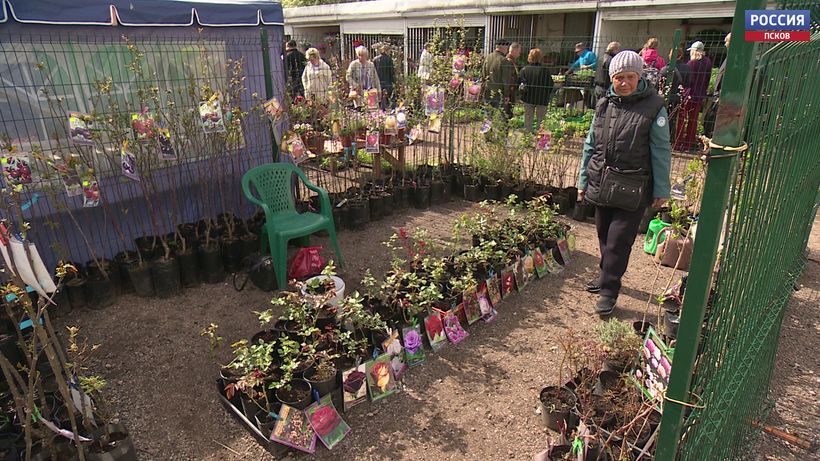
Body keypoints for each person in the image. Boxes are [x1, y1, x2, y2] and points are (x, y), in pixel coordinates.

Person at [577, 50, 671, 316]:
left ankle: (609, 290)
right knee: (604, 235)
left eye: (630, 77)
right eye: (619, 77)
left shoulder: (654, 108)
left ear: (639, 77)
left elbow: (661, 150)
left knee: (619, 240)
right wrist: (583, 179)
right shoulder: (604, 103)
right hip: (601, 179)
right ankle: (605, 275)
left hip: (633, 186)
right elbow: (590, 144)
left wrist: (661, 189)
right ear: (612, 78)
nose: (625, 82)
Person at [674, 41, 712, 152]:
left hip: (688, 94)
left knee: (681, 119)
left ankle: (678, 143)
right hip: (699, 95)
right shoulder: (708, 63)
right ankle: (689, 144)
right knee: (693, 120)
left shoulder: (691, 63)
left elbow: (688, 81)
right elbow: (707, 80)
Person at [519, 48, 554, 132]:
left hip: (528, 98)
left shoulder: (524, 70)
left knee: (528, 119)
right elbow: (550, 84)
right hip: (542, 99)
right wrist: (547, 94)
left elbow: (520, 83)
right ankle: (540, 140)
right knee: (541, 121)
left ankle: (527, 137)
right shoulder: (545, 70)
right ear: (540, 57)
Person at [704, 32, 731, 137]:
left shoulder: (733, 58)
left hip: (723, 95)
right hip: (719, 94)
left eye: (726, 41)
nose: (724, 44)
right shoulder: (728, 57)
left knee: (713, 119)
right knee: (710, 119)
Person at [660, 47, 690, 135]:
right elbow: (688, 84)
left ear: (670, 56)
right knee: (675, 120)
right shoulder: (687, 68)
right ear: (681, 56)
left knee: (663, 119)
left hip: (666, 97)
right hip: (679, 97)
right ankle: (673, 137)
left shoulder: (665, 69)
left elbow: (659, 84)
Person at [481, 39, 511, 110]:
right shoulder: (504, 60)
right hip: (499, 93)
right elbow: (506, 79)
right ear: (504, 47)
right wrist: (506, 94)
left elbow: (482, 74)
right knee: (499, 115)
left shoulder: (487, 57)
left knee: (488, 115)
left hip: (487, 90)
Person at [373, 44, 395, 109]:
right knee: (387, 97)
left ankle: (380, 109)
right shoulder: (389, 59)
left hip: (378, 80)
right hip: (387, 81)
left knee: (379, 97)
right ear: (387, 51)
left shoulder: (375, 59)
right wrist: (393, 81)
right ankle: (386, 109)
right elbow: (391, 72)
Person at [504, 42, 522, 118]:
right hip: (509, 90)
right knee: (508, 109)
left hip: (511, 89)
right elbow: (509, 77)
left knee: (509, 108)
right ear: (514, 51)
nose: (520, 53)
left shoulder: (512, 60)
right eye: (519, 51)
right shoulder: (509, 61)